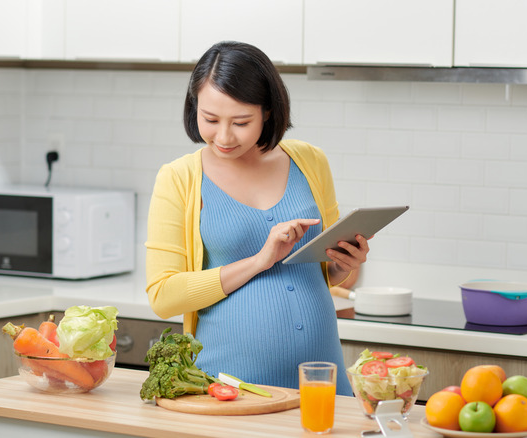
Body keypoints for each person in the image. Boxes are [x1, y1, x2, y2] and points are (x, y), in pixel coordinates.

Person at [145, 41, 369, 396]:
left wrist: (345, 265)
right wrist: (259, 261)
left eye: (241, 122)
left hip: (322, 380)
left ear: (267, 111)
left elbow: (326, 274)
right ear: (194, 108)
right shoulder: (180, 178)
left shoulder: (310, 162)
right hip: (231, 389)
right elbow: (163, 295)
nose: (224, 136)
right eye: (210, 119)